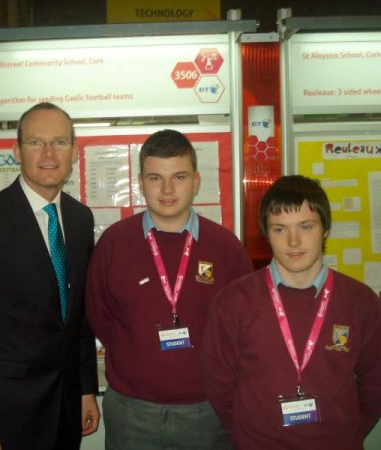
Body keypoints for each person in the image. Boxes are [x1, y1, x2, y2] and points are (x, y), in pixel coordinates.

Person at [0, 102, 100, 450]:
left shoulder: (79, 219)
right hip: (6, 418)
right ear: (16, 150)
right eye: (35, 142)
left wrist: (86, 387)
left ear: (74, 152)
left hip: (66, 406)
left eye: (59, 142)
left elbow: (79, 318)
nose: (49, 153)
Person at [85, 129, 253, 450]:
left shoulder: (227, 248)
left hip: (209, 412)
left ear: (196, 180)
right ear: (140, 181)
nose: (166, 190)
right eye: (155, 178)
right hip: (132, 413)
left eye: (178, 176)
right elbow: (99, 317)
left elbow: (243, 329)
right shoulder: (114, 244)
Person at [202, 175, 381, 450]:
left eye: (305, 226)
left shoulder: (361, 301)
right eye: (280, 229)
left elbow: (374, 384)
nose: (294, 241)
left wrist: (346, 436)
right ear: (266, 234)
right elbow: (220, 385)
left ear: (325, 229)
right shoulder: (233, 301)